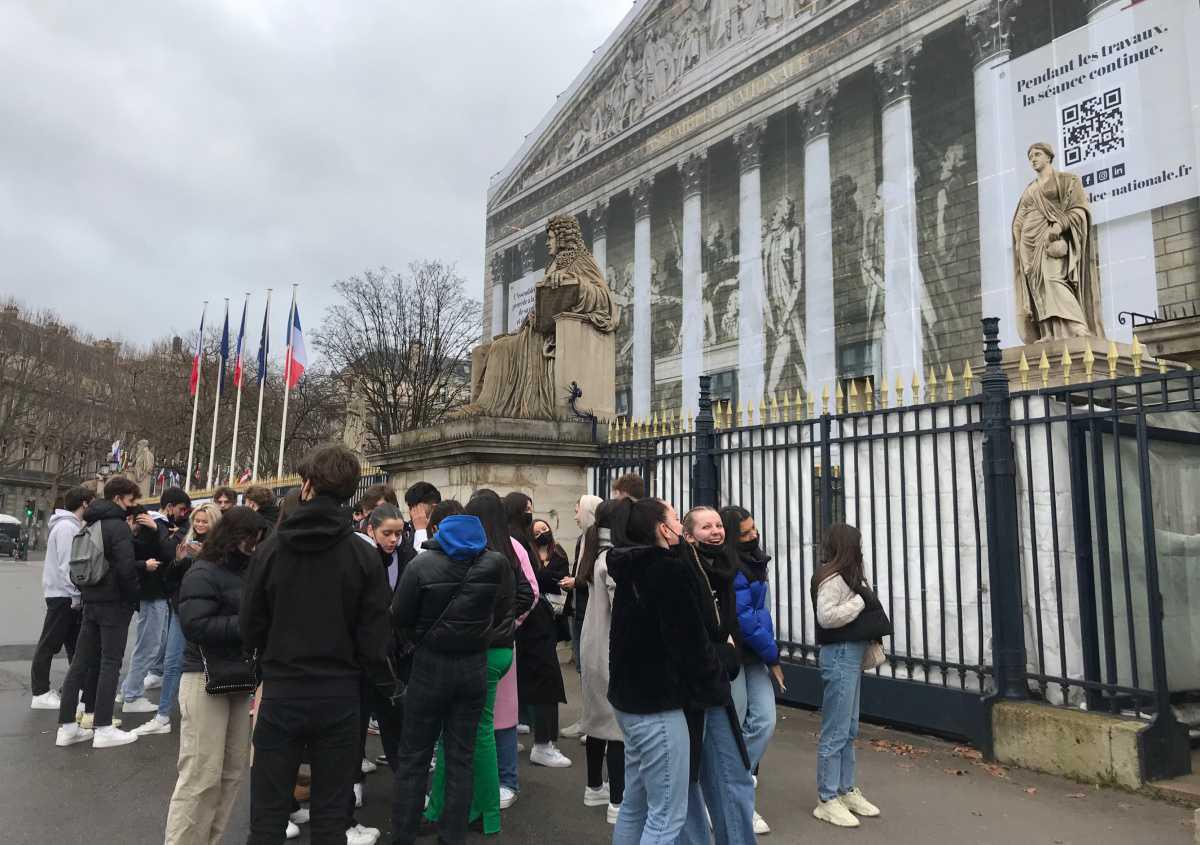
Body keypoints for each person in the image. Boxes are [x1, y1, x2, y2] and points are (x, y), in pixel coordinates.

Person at [241, 444, 391, 845]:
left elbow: (250, 624)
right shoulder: (363, 554)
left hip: (283, 688)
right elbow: (375, 636)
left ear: (306, 486)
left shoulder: (270, 550)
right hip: (339, 693)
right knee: (329, 818)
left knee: (268, 816)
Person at [607, 498, 726, 844]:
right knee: (666, 816)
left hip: (631, 699)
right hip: (658, 703)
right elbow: (689, 643)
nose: (678, 522)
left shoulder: (632, 567)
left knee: (636, 804)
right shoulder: (667, 570)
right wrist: (717, 678)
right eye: (674, 517)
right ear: (663, 528)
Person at [389, 510, 507, 845]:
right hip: (473, 667)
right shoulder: (494, 564)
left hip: (429, 665)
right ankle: (453, 835)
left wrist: (422, 636)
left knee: (413, 756)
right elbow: (498, 609)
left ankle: (403, 834)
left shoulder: (421, 566)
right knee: (460, 756)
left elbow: (400, 615)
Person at [163, 506, 264, 845]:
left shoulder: (249, 572)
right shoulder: (201, 571)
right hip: (204, 678)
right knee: (200, 775)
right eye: (252, 540)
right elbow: (195, 625)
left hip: (237, 676)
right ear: (236, 538)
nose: (255, 546)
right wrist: (248, 625)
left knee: (232, 772)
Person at [423, 496, 516, 836]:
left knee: (469, 735)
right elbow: (520, 597)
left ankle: (475, 812)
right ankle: (467, 809)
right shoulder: (503, 552)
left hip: (481, 651)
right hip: (496, 648)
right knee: (469, 734)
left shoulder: (476, 556)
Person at [678, 506, 756, 845]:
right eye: (706, 526)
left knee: (733, 773)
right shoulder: (681, 570)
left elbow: (729, 628)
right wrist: (722, 650)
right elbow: (694, 637)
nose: (715, 531)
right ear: (688, 535)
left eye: (719, 525)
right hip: (688, 692)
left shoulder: (726, 565)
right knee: (688, 780)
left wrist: (729, 650)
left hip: (717, 686)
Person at [811, 523, 891, 828]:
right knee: (836, 729)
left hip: (850, 653)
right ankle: (827, 798)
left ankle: (845, 789)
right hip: (840, 653)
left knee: (849, 727)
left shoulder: (849, 576)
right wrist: (861, 600)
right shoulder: (833, 579)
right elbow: (827, 617)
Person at [55, 476, 143, 750]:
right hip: (114, 602)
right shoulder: (117, 527)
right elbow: (126, 569)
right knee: (110, 663)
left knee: (80, 663)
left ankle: (66, 726)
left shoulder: (89, 521)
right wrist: (134, 599)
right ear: (118, 498)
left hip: (90, 598)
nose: (133, 505)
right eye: (131, 499)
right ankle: (103, 727)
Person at [459, 490, 533, 812]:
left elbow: (528, 592)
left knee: (492, 716)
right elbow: (530, 592)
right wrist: (509, 623)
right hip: (500, 645)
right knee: (496, 716)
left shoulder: (501, 548)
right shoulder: (511, 548)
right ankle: (501, 780)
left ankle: (504, 780)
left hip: (481, 644)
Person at [721, 506, 785, 836]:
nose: (753, 536)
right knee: (737, 722)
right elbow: (744, 618)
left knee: (764, 720)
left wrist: (768, 651)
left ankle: (733, 783)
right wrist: (772, 655)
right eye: (745, 533)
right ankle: (734, 797)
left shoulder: (756, 561)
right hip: (736, 655)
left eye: (754, 530)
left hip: (754, 654)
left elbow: (761, 614)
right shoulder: (728, 566)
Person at [138, 500, 215, 737]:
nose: (200, 525)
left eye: (205, 521)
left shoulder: (220, 548)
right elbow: (169, 579)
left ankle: (206, 715)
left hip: (206, 612)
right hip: (181, 609)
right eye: (197, 521)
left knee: (206, 664)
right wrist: (179, 561)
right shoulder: (185, 541)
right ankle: (162, 715)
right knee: (172, 662)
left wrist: (203, 557)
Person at [506, 492, 570, 768]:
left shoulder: (509, 538)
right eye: (528, 510)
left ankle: (517, 733)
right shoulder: (519, 542)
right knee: (545, 681)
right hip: (534, 623)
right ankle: (544, 744)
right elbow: (531, 587)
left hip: (523, 624)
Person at [577, 498, 627, 825]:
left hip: (592, 645)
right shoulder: (613, 558)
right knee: (616, 727)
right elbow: (621, 609)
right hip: (611, 648)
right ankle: (617, 800)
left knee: (597, 720)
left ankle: (595, 785)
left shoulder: (596, 551)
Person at [30, 486, 93, 710]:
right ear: (85, 504)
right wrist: (76, 595)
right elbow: (70, 566)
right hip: (64, 595)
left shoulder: (66, 525)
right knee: (51, 644)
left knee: (73, 645)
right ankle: (40, 692)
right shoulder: (67, 528)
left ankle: (76, 688)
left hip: (62, 594)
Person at [117, 502, 172, 713]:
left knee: (148, 644)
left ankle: (129, 690)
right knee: (148, 646)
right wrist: (158, 530)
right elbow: (164, 553)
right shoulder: (141, 536)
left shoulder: (144, 534)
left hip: (152, 595)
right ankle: (131, 695)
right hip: (152, 595)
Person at [560, 494, 601, 700]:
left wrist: (576, 582)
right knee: (581, 666)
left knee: (592, 668)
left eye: (578, 511)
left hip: (590, 610)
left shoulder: (599, 540)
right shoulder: (581, 539)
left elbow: (595, 576)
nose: (575, 517)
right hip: (577, 609)